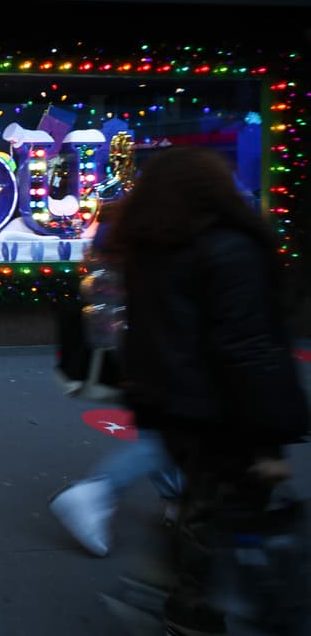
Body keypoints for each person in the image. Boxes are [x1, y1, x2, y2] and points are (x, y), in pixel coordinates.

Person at [110, 147, 309, 635]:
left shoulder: (149, 249)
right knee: (230, 512)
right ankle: (196, 606)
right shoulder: (229, 248)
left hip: (174, 407)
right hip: (224, 411)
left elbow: (144, 335)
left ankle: (174, 588)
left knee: (203, 504)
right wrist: (267, 440)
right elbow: (249, 347)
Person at [50, 198, 184, 557]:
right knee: (170, 431)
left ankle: (175, 500)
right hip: (156, 347)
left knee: (163, 427)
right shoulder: (155, 235)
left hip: (135, 346)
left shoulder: (120, 234)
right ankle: (99, 492)